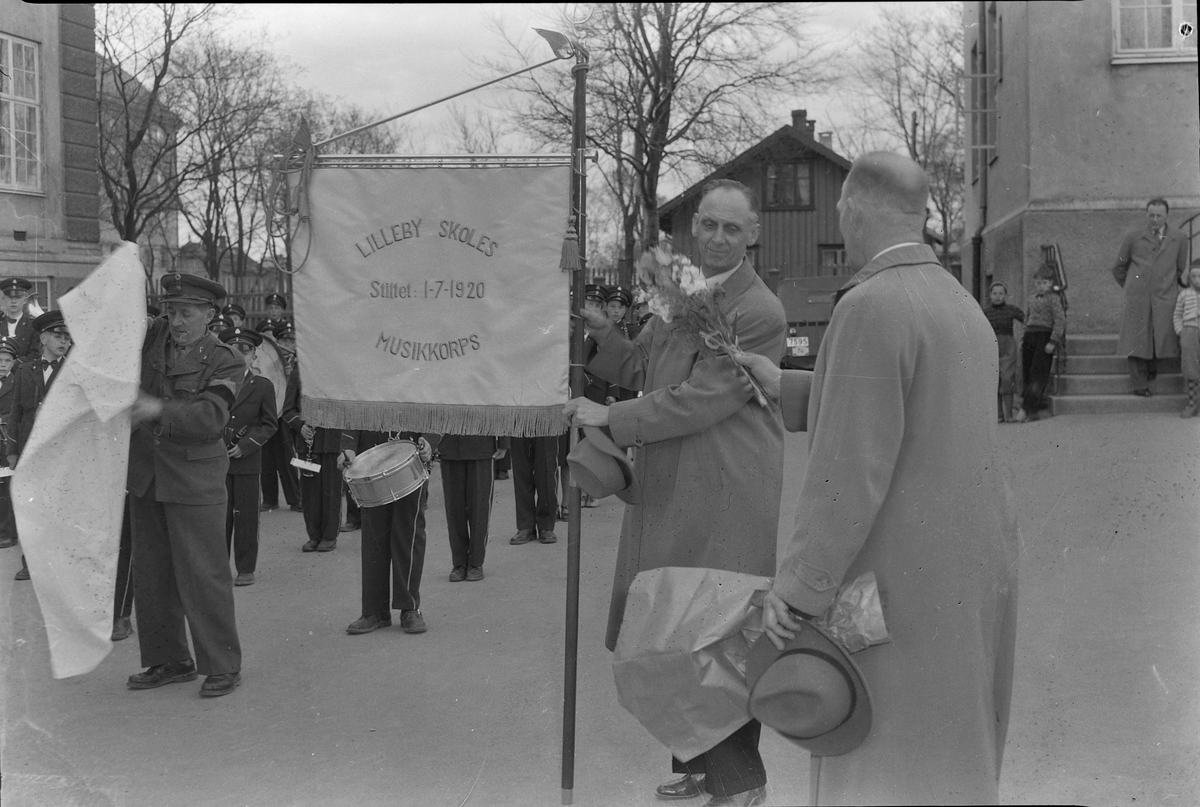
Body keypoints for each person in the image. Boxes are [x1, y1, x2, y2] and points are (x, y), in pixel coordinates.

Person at [734, 152, 1019, 805]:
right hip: (968, 576)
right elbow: (916, 410)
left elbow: (848, 472)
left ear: (854, 208)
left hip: (895, 591)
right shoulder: (962, 305)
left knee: (880, 765)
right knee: (951, 759)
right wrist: (789, 386)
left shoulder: (869, 305)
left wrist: (797, 589)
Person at [565, 178, 786, 807]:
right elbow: (643, 367)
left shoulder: (758, 311)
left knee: (716, 634)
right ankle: (694, 765)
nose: (717, 239)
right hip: (675, 482)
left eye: (732, 229)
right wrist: (605, 333)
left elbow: (706, 398)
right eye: (709, 226)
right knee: (670, 628)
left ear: (753, 235)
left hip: (725, 490)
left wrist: (612, 418)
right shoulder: (679, 295)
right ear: (695, 228)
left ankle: (742, 783)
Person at [126, 273, 244, 698]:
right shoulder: (155, 338)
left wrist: (157, 408)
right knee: (152, 575)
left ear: (209, 316)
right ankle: (169, 660)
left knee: (203, 574)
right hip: (148, 476)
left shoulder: (227, 359)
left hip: (194, 478)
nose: (175, 320)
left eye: (186, 312)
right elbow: (121, 312)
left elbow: (209, 418)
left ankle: (223, 664)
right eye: (171, 311)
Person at [340, 431, 437, 635]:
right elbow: (350, 403)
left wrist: (430, 440)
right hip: (371, 455)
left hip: (411, 455)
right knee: (373, 538)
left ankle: (409, 607)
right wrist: (348, 446)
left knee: (408, 534)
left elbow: (439, 402)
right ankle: (374, 611)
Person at [7, 310, 72, 582]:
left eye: (67, 338)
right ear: (43, 337)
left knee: (60, 507)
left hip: (61, 450)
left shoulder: (72, 371)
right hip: (30, 450)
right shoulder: (25, 370)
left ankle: (59, 563)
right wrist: (12, 451)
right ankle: (30, 563)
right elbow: (16, 412)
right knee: (31, 509)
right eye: (57, 336)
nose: (63, 342)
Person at [219, 327, 278, 586]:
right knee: (220, 517)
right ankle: (218, 568)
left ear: (254, 356)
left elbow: (269, 424)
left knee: (245, 516)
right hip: (217, 460)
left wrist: (246, 445)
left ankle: (245, 568)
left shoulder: (262, 386)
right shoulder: (216, 384)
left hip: (246, 460)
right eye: (234, 350)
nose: (240, 355)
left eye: (245, 351)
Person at [1112, 198, 1189, 396]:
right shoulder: (1133, 237)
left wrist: (1164, 285)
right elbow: (1119, 267)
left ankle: (1152, 366)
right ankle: (1139, 384)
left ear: (1166, 216)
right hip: (1137, 297)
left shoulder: (1179, 238)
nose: (1154, 219)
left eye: (1159, 215)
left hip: (1164, 295)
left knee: (1160, 333)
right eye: (1151, 215)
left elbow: (1180, 268)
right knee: (1136, 338)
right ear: (1146, 215)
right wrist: (1132, 287)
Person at [281, 361, 354, 552]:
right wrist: (300, 425)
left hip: (332, 441)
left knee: (331, 490)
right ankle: (313, 535)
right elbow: (288, 410)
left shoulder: (339, 370)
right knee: (310, 492)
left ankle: (329, 536)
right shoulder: (300, 370)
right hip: (308, 444)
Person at [439, 434, 507, 581]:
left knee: (479, 508)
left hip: (481, 445)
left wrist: (504, 442)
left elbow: (500, 410)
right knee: (454, 509)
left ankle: (476, 562)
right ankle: (459, 562)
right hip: (449, 446)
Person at [259, 321, 302, 513]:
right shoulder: (268, 361)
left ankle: (295, 498)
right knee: (266, 458)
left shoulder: (299, 363)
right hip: (267, 413)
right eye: (283, 340)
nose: (287, 344)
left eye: (290, 341)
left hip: (286, 414)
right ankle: (269, 499)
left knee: (288, 457)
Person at [1020, 264, 1065, 423]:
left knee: (1038, 373)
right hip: (1030, 335)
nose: (1041, 286)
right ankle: (1032, 409)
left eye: (1045, 283)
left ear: (1051, 283)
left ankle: (1028, 408)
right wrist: (1023, 336)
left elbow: (1060, 321)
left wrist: (1052, 341)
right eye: (1038, 283)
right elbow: (1027, 318)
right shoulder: (1032, 298)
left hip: (1044, 336)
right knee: (1027, 371)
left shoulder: (1054, 299)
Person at [508, 433, 560, 545]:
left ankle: (546, 526)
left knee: (547, 470)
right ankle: (525, 526)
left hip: (547, 419)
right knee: (521, 468)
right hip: (519, 418)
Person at [984, 282, 1024, 423]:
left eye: (1001, 293)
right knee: (995, 379)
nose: (998, 296)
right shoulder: (985, 312)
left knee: (1008, 378)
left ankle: (1009, 415)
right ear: (990, 295)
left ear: (1005, 295)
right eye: (995, 293)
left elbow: (1026, 318)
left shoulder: (1011, 310)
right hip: (991, 345)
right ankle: (998, 415)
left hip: (1008, 346)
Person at [1173, 260, 1200, 418]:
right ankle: (1192, 404)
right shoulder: (1184, 294)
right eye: (1194, 276)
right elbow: (1177, 315)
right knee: (1191, 369)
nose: (1197, 279)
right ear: (1189, 278)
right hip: (1189, 332)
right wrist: (1181, 332)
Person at [0, 337, 19, 550]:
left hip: (5, 441)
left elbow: (17, 410)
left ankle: (7, 532)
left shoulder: (16, 382)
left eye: (7, 360)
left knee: (6, 488)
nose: (2, 364)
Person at [0, 277, 42, 363]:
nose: (13, 301)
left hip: (24, 373)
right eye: (10, 297)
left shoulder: (33, 326)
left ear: (25, 300)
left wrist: (13, 363)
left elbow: (36, 354)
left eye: (18, 297)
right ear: (3, 299)